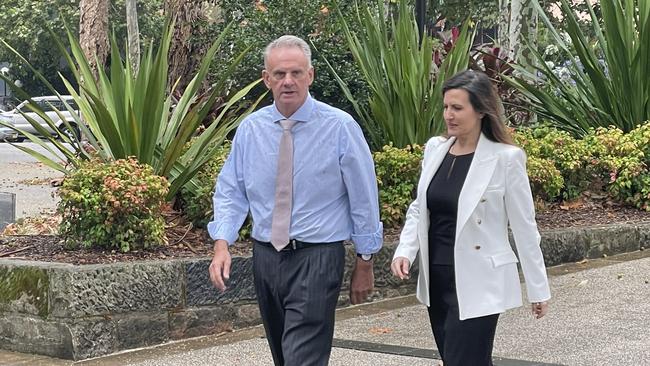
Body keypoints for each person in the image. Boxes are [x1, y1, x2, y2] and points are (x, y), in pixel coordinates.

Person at [207, 35, 383, 366]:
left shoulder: (340, 128)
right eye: (279, 74)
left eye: (296, 73)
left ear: (310, 76)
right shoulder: (250, 130)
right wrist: (222, 243)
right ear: (266, 79)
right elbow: (231, 189)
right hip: (266, 259)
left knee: (302, 357)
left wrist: (365, 260)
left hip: (317, 257)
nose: (288, 81)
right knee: (284, 354)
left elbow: (364, 198)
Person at [390, 70, 551, 366]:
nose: (448, 115)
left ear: (480, 110)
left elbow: (525, 227)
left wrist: (537, 288)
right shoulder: (435, 149)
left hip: (481, 279)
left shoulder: (506, 158)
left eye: (457, 108)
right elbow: (419, 208)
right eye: (446, 107)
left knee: (465, 360)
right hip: (437, 276)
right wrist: (405, 251)